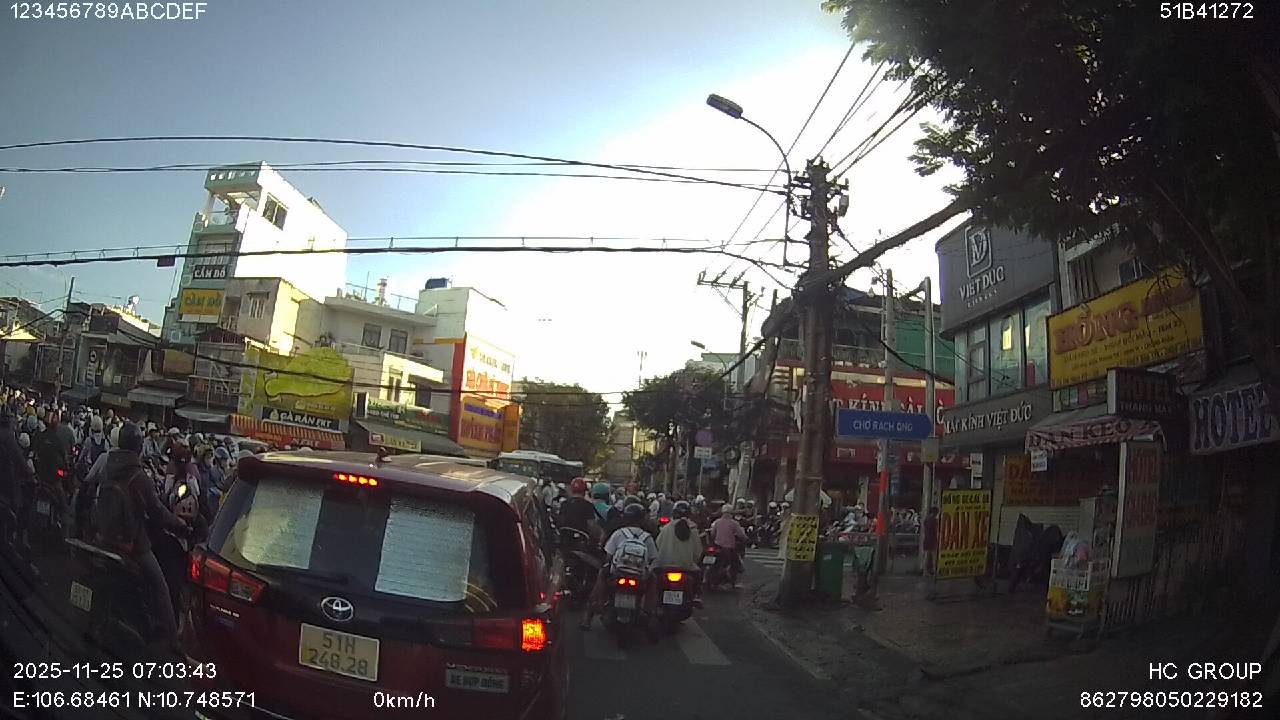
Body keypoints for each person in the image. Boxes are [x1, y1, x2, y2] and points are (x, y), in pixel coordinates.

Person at [90, 421, 190, 647]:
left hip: (104, 535)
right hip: (132, 543)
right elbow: (157, 512)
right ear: (138, 445)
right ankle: (174, 644)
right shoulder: (138, 476)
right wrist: (180, 525)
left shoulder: (107, 465)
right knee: (161, 587)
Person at [582, 502, 658, 630]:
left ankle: (589, 616)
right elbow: (653, 558)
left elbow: (608, 555)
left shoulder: (619, 533)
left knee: (601, 575)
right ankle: (650, 614)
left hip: (618, 572)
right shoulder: (647, 537)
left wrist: (609, 565)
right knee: (654, 580)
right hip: (639, 576)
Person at [656, 500, 703, 583]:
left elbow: (657, 546)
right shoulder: (693, 529)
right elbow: (698, 552)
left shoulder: (665, 529)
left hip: (665, 567)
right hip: (687, 568)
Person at [557, 478, 602, 545]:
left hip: (565, 541)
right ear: (584, 491)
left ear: (572, 490)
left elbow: (560, 521)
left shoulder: (564, 504)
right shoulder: (588, 505)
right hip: (582, 543)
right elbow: (592, 525)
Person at [710, 507, 748, 585]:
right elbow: (741, 535)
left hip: (717, 546)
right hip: (729, 547)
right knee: (736, 564)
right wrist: (746, 539)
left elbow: (712, 534)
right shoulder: (734, 523)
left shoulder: (717, 522)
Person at [922, 506, 940, 576]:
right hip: (932, 538)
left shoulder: (926, 519)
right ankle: (935, 571)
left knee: (926, 555)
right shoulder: (934, 520)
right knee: (934, 556)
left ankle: (924, 571)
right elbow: (936, 530)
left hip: (926, 538)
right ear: (935, 512)